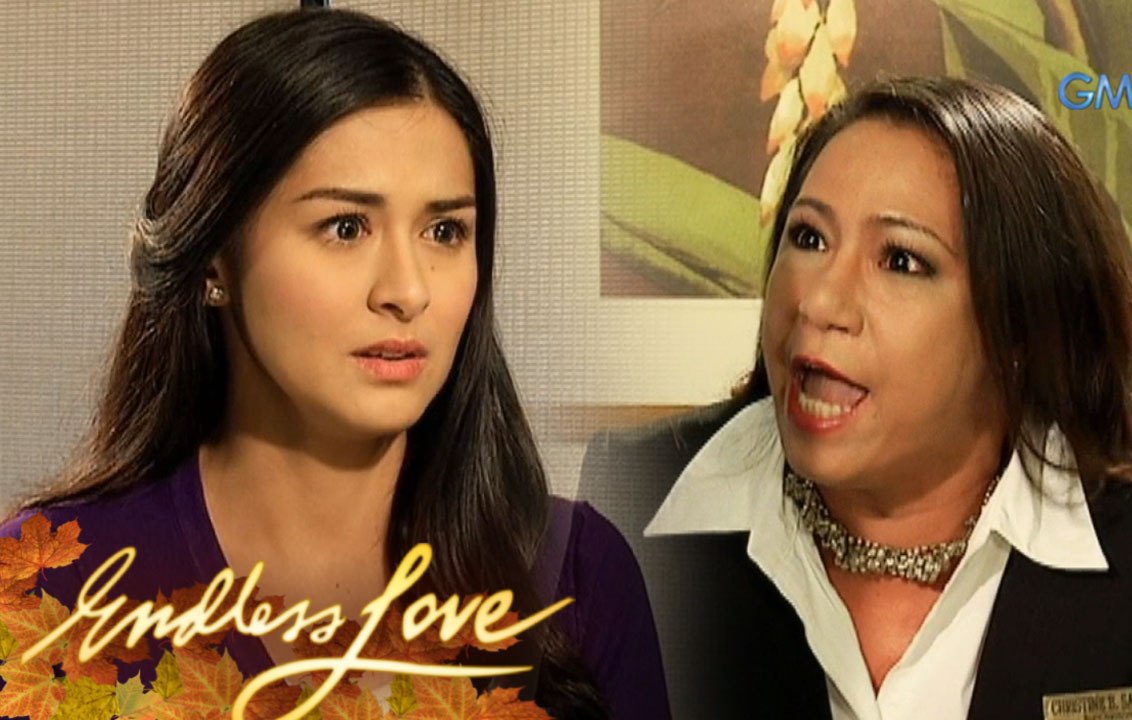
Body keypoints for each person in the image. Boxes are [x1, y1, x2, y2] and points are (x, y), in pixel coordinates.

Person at [2, 8, 668, 720]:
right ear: (215, 257)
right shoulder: (44, 595)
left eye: (445, 231)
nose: (408, 291)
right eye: (346, 227)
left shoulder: (573, 578)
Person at [581, 76, 1132, 719]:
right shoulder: (629, 508)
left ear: (1018, 327)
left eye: (901, 260)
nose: (817, 302)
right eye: (809, 237)